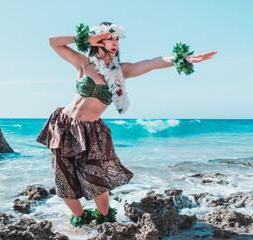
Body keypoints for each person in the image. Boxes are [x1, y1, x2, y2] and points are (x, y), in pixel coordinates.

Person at [36, 22, 217, 227]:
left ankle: (105, 222)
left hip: (92, 130)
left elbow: (152, 63)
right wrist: (87, 39)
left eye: (117, 39)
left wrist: (181, 58)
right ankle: (81, 222)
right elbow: (53, 42)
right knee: (63, 180)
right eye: (109, 38)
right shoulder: (83, 63)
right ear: (98, 39)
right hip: (64, 125)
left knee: (96, 179)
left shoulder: (121, 71)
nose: (115, 43)